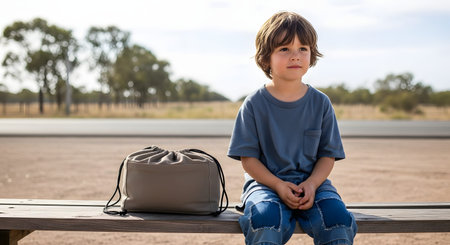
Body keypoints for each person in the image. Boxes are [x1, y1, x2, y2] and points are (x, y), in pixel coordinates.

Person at [227, 11, 357, 245]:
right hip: (265, 185)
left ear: (311, 55)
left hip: (313, 184)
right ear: (266, 58)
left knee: (337, 220)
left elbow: (327, 156)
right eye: (284, 49)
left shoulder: (321, 103)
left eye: (303, 49)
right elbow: (248, 160)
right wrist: (277, 184)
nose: (295, 56)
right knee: (265, 220)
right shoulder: (254, 104)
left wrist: (312, 184)